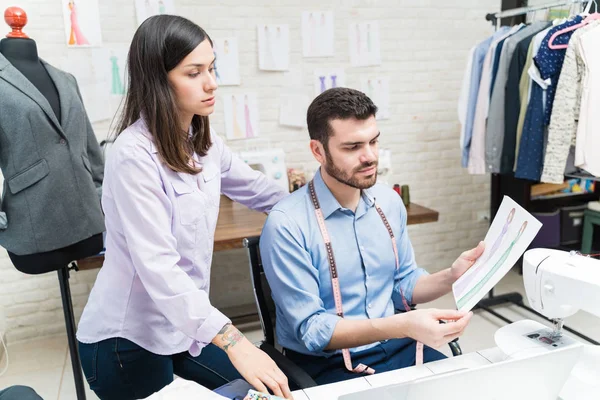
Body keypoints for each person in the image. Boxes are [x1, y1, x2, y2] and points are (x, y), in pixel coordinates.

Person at [76, 15, 291, 400]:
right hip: (126, 341)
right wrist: (234, 340)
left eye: (212, 68)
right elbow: (158, 266)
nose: (212, 83)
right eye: (194, 72)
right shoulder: (133, 155)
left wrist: (320, 201)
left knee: (261, 390)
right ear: (159, 79)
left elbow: (261, 192)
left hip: (183, 329)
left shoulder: (203, 144)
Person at [260, 88, 485, 385]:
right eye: (352, 147)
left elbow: (402, 285)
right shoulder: (286, 225)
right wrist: (401, 324)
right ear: (318, 150)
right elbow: (313, 331)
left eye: (374, 141)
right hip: (328, 364)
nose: (369, 156)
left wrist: (451, 276)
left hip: (399, 343)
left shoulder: (388, 202)